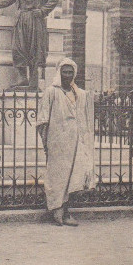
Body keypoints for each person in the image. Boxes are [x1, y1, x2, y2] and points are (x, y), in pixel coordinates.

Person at [36, 58, 95, 226]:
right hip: (57, 141)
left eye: (70, 72)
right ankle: (56, 209)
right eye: (64, 72)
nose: (67, 75)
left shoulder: (80, 94)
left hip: (76, 142)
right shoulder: (51, 92)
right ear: (59, 72)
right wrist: (46, 141)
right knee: (57, 176)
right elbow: (43, 119)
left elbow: (85, 120)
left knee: (73, 177)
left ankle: (67, 211)